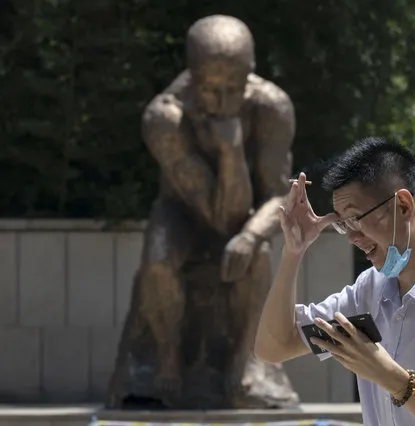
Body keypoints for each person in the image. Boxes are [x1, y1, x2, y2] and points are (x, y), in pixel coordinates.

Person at [255, 137, 415, 425]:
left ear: (403, 205)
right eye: (343, 225)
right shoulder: (369, 289)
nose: (353, 237)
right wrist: (293, 252)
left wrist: (390, 378)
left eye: (356, 218)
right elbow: (275, 347)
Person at [107, 15, 298, 408]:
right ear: (193, 78)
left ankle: (246, 360)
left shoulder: (272, 107)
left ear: (251, 73)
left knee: (256, 255)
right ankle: (166, 360)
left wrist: (248, 235)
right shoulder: (165, 118)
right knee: (158, 256)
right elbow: (217, 214)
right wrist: (230, 150)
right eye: (212, 90)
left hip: (243, 220)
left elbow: (280, 196)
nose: (224, 102)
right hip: (184, 213)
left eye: (235, 88)